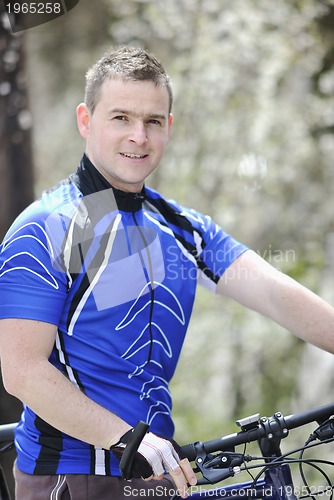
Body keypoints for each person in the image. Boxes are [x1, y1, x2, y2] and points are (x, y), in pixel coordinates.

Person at [0, 46, 334, 500]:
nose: (139, 136)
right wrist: (123, 438)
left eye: (153, 121)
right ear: (86, 120)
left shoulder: (180, 228)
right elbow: (21, 370)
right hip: (70, 476)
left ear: (168, 128)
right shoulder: (47, 228)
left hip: (159, 471)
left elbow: (277, 296)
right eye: (121, 118)